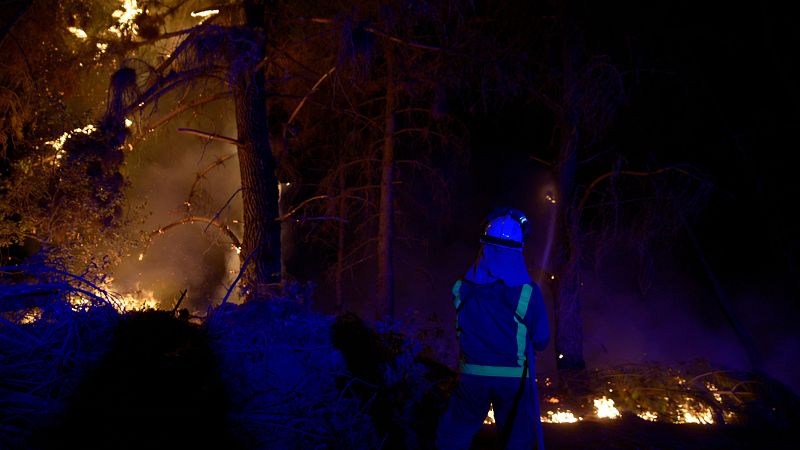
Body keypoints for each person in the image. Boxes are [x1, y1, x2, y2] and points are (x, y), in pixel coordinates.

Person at [436, 207, 550, 450]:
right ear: (519, 250)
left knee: (452, 440)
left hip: (471, 377)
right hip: (514, 381)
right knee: (516, 442)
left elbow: (461, 328)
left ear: (483, 244)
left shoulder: (461, 287)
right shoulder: (528, 292)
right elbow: (541, 340)